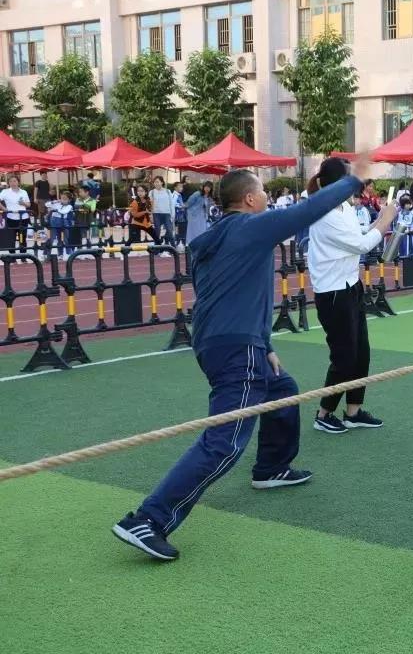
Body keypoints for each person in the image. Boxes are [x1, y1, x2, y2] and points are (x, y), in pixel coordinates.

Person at [112, 163, 371, 562]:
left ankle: (271, 468)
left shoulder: (213, 237)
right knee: (225, 441)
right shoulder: (251, 227)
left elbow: (224, 294)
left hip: (217, 342)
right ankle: (149, 519)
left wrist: (263, 343)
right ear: (249, 199)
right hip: (235, 347)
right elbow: (307, 212)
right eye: (263, 192)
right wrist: (354, 180)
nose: (268, 197)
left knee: (281, 389)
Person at [307, 158, 398, 434]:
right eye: (349, 179)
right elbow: (361, 244)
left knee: (361, 352)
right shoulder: (324, 214)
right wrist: (385, 220)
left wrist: (380, 221)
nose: (354, 185)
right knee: (344, 357)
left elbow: (360, 234)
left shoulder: (345, 208)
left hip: (350, 285)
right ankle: (324, 414)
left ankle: (353, 412)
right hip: (332, 293)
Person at [0, 176, 31, 252]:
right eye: (11, 181)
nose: (13, 183)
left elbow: (29, 204)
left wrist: (23, 203)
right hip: (11, 217)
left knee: (22, 237)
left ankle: (23, 256)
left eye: (14, 181)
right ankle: (12, 257)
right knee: (11, 238)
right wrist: (4, 209)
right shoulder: (5, 192)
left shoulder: (23, 192)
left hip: (23, 218)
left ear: (18, 182)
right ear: (8, 183)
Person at [148, 176, 175, 247]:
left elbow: (171, 203)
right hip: (156, 213)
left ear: (162, 182)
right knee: (157, 231)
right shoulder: (152, 192)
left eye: (158, 182)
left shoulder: (168, 191)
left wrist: (172, 214)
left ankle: (173, 247)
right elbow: (149, 204)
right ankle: (157, 247)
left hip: (166, 213)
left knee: (169, 230)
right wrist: (150, 215)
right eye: (155, 182)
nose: (156, 183)